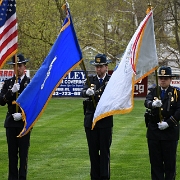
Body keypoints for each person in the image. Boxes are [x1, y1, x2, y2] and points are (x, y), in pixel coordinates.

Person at [144, 66, 180, 180]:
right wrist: (153, 104)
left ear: (170, 79)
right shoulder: (154, 90)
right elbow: (147, 101)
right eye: (160, 78)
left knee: (169, 164)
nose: (162, 80)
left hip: (169, 133)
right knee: (156, 164)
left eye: (165, 78)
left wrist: (168, 123)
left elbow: (179, 110)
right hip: (154, 132)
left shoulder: (176, 92)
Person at [81, 54, 113, 180]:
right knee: (93, 153)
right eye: (96, 67)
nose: (98, 69)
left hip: (105, 121)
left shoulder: (111, 81)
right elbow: (82, 92)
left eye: (101, 66)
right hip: (91, 122)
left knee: (104, 153)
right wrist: (87, 92)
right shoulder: (91, 80)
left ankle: (104, 177)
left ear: (106, 67)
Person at [0, 54, 31, 180]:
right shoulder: (8, 83)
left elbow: (34, 104)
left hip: (24, 123)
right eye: (15, 66)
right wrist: (11, 91)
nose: (17, 69)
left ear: (24, 67)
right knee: (12, 154)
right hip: (11, 122)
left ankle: (22, 177)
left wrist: (23, 114)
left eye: (20, 65)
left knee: (23, 154)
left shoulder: (30, 83)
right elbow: (1, 101)